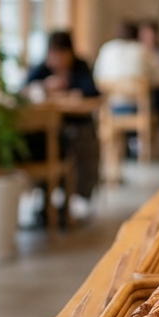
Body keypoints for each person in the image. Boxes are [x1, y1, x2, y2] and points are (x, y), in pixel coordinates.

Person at [24, 31, 100, 221]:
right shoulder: (42, 69)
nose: (57, 59)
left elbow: (92, 91)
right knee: (39, 142)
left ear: (70, 53)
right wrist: (45, 86)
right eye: (54, 54)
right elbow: (24, 88)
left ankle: (79, 197)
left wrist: (71, 85)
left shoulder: (80, 67)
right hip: (49, 129)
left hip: (76, 123)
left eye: (62, 54)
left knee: (80, 137)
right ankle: (45, 201)